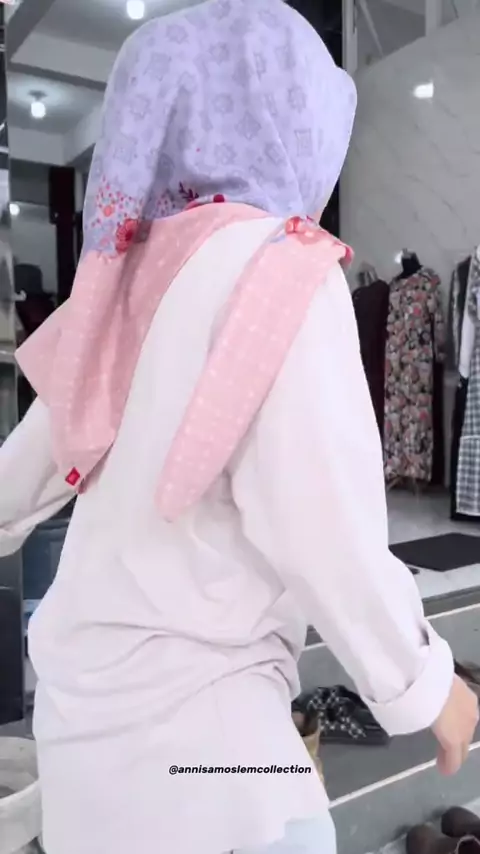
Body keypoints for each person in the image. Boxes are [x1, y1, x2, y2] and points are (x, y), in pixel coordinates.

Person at [0, 2, 476, 853]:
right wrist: (429, 683)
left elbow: (16, 480)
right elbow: (323, 525)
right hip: (208, 753)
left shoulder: (123, 282)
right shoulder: (284, 268)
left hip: (82, 736)